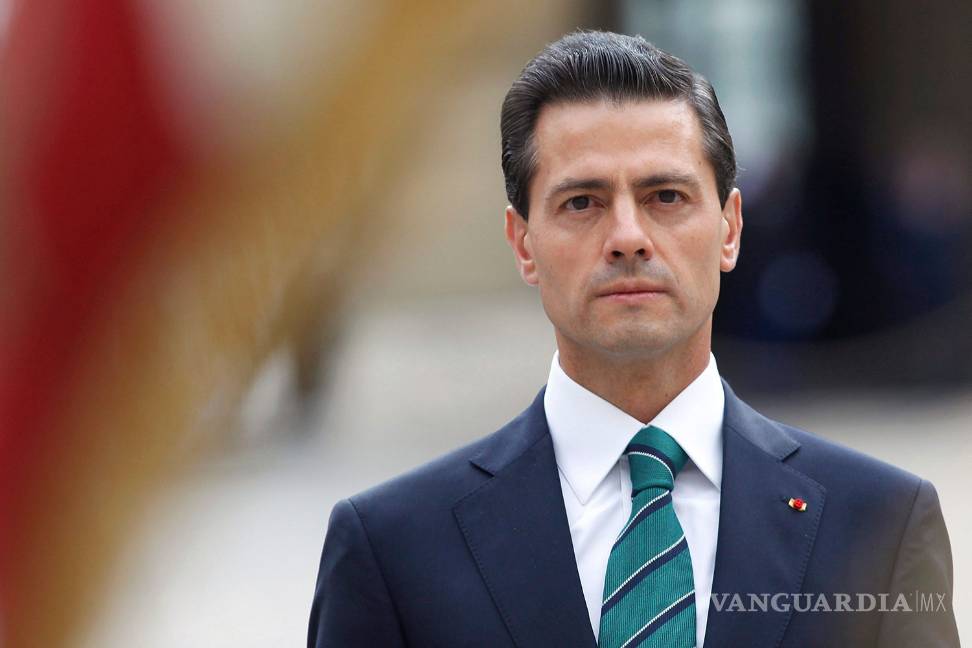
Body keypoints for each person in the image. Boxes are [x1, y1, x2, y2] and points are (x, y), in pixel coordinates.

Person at [307, 31, 959, 647]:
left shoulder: (881, 523)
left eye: (666, 196)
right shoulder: (392, 548)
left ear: (730, 229)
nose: (627, 237)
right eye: (582, 203)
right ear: (523, 243)